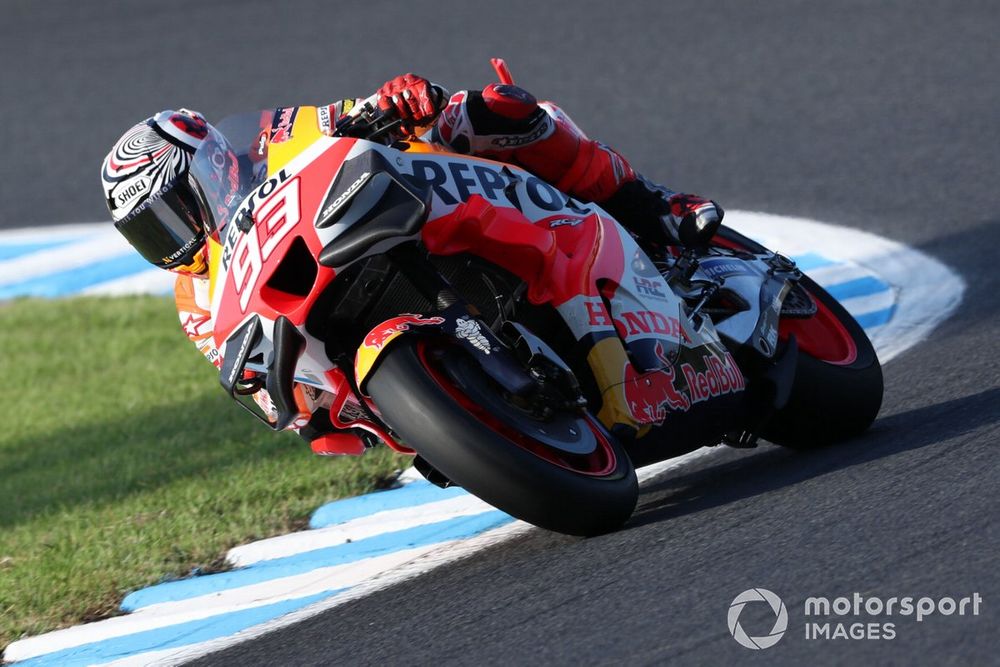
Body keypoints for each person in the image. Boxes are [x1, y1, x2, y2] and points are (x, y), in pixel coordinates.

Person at [100, 73, 723, 451]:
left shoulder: (267, 142)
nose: (172, 245)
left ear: (210, 166)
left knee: (483, 111)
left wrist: (392, 101)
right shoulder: (195, 300)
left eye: (174, 214)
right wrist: (309, 414)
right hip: (353, 333)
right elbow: (263, 385)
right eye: (150, 234)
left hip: (400, 218)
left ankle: (651, 206)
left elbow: (345, 117)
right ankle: (484, 415)